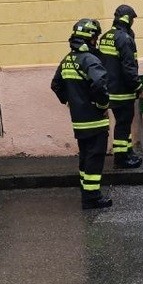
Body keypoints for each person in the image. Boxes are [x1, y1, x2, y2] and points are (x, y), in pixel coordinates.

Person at [51, 19, 112, 210]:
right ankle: (92, 198)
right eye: (95, 37)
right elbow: (100, 84)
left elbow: (56, 84)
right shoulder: (89, 60)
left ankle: (87, 192)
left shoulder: (68, 59)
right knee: (95, 158)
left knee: (85, 157)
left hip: (78, 120)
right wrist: (102, 105)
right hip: (95, 120)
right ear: (91, 38)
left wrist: (69, 101)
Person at [98, 4, 143, 169]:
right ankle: (121, 159)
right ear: (128, 19)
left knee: (123, 123)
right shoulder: (124, 39)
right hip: (122, 91)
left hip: (110, 89)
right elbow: (129, 67)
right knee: (123, 125)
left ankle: (128, 151)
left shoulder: (106, 36)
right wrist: (139, 87)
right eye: (132, 19)